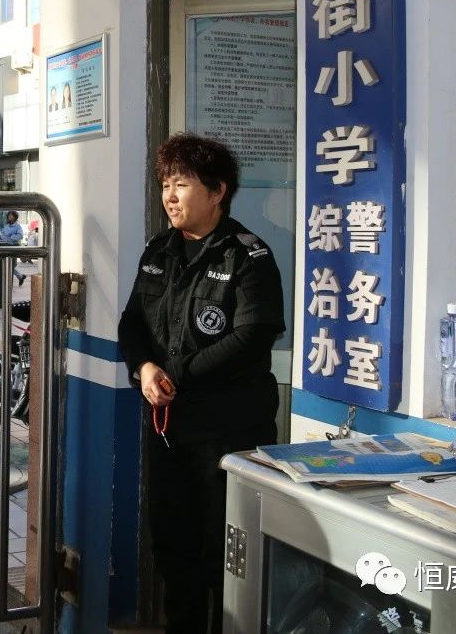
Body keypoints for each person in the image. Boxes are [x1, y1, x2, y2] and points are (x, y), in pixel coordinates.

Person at [117, 133, 283, 634]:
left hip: (229, 432)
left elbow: (252, 337)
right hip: (170, 430)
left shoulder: (248, 257)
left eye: (182, 184)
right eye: (165, 184)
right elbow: (132, 323)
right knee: (173, 545)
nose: (170, 196)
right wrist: (144, 368)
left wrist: (176, 374)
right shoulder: (159, 250)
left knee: (222, 551)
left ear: (217, 191)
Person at [0, 211, 27, 287]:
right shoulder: (7, 226)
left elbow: (20, 235)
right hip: (6, 247)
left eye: (11, 216)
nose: (9, 217)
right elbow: (2, 234)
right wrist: (5, 238)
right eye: (9, 216)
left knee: (9, 264)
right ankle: (20, 276)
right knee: (7, 264)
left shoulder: (17, 226)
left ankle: (19, 277)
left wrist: (11, 237)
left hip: (13, 247)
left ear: (15, 217)